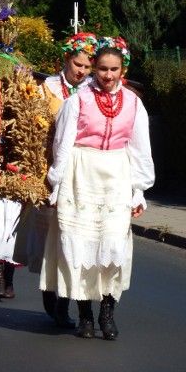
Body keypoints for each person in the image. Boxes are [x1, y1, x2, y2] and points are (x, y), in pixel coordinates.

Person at [40, 37, 154, 340]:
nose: (108, 75)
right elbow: (62, 144)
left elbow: (140, 148)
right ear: (95, 69)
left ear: (122, 68)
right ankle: (85, 316)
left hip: (116, 173)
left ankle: (107, 312)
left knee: (113, 245)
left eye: (114, 69)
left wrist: (139, 189)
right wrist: (57, 182)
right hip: (81, 173)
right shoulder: (78, 100)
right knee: (80, 246)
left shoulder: (133, 103)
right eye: (102, 69)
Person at [21, 32, 95, 328]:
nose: (82, 71)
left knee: (74, 240)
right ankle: (53, 299)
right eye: (78, 64)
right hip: (48, 170)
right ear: (66, 59)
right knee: (49, 239)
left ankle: (68, 302)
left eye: (87, 67)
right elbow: (32, 129)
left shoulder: (92, 92)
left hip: (82, 176)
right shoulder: (46, 89)